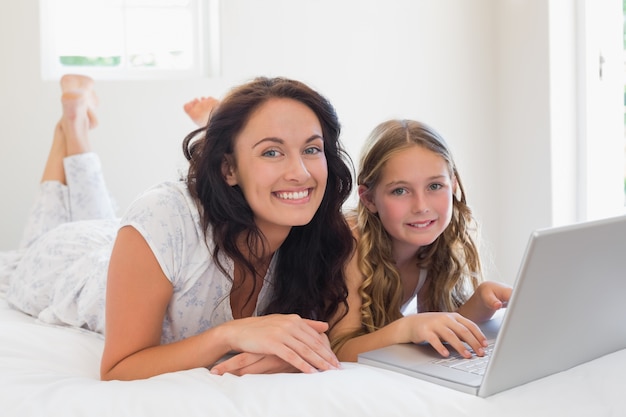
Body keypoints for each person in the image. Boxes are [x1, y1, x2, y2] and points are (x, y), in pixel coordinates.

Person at [4, 74, 356, 380]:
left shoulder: (321, 237)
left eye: (312, 149)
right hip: (70, 264)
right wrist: (228, 335)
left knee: (102, 214)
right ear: (228, 169)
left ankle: (73, 124)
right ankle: (70, 127)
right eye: (271, 152)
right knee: (42, 238)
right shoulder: (164, 213)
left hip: (132, 247)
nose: (301, 172)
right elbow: (118, 367)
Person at [327, 119, 512, 362]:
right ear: (369, 199)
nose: (421, 207)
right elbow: (340, 349)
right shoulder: (350, 240)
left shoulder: (434, 242)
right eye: (400, 191)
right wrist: (407, 328)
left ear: (453, 186)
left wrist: (480, 305)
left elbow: (435, 325)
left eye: (435, 186)